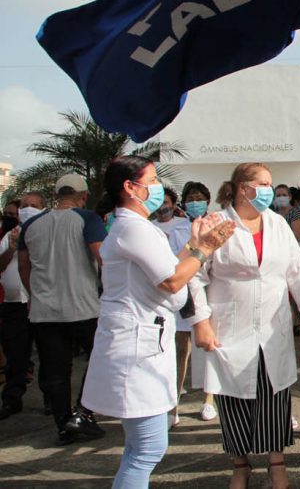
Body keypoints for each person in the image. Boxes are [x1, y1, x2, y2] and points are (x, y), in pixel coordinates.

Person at [81, 155, 234, 487]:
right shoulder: (133, 228)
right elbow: (172, 281)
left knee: (140, 447)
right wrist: (205, 248)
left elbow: (169, 267)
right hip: (135, 350)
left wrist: (195, 243)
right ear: (130, 188)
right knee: (148, 449)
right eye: (151, 181)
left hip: (143, 343)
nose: (157, 188)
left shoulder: (137, 228)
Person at [190, 162, 300, 489]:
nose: (267, 190)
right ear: (242, 188)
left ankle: (277, 463)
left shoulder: (277, 224)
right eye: (261, 184)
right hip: (229, 326)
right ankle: (240, 464)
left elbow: (296, 271)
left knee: (274, 392)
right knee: (233, 398)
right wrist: (201, 322)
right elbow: (194, 276)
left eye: (270, 184)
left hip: (273, 325)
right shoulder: (217, 224)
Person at [17, 175, 106, 445]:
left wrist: (34, 294)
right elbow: (103, 257)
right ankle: (82, 414)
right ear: (83, 196)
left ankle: (63, 424)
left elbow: (24, 266)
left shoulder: (32, 224)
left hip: (45, 311)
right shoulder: (88, 219)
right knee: (102, 360)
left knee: (55, 370)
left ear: (56, 195)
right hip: (84, 307)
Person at [149, 186, 196, 429]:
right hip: (154, 300)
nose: (162, 206)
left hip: (181, 294)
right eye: (159, 202)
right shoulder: (146, 228)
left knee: (181, 353)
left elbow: (191, 259)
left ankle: (173, 406)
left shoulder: (186, 226)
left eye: (167, 201)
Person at [180, 181, 219, 423]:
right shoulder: (176, 227)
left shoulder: (217, 223)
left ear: (208, 200)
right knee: (181, 350)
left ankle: (209, 399)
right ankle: (174, 402)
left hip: (207, 289)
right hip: (181, 290)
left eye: (199, 197)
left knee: (210, 347)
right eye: (191, 198)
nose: (195, 202)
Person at [0, 198, 31, 420]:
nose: (11, 218)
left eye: (15, 213)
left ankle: (53, 399)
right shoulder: (7, 237)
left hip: (37, 302)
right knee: (15, 355)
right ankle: (12, 398)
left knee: (49, 355)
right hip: (12, 305)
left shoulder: (40, 233)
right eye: (7, 214)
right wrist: (11, 248)